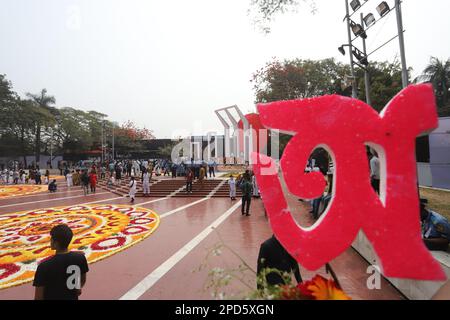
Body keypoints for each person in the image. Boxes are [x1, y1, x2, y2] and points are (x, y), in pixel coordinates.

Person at [33, 224, 89, 300]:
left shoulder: (44, 267)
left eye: (52, 238)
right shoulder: (80, 258)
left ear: (55, 243)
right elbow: (82, 280)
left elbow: (38, 297)